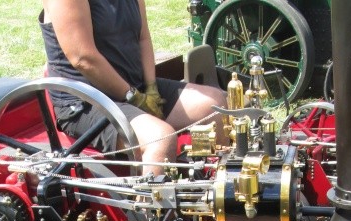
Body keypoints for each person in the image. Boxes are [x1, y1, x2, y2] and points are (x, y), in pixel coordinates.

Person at [40, 0, 226, 174]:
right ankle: (151, 208)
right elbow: (83, 58)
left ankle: (220, 191)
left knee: (215, 105)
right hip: (85, 101)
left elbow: (143, 38)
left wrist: (151, 88)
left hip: (134, 87)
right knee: (160, 140)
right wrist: (134, 97)